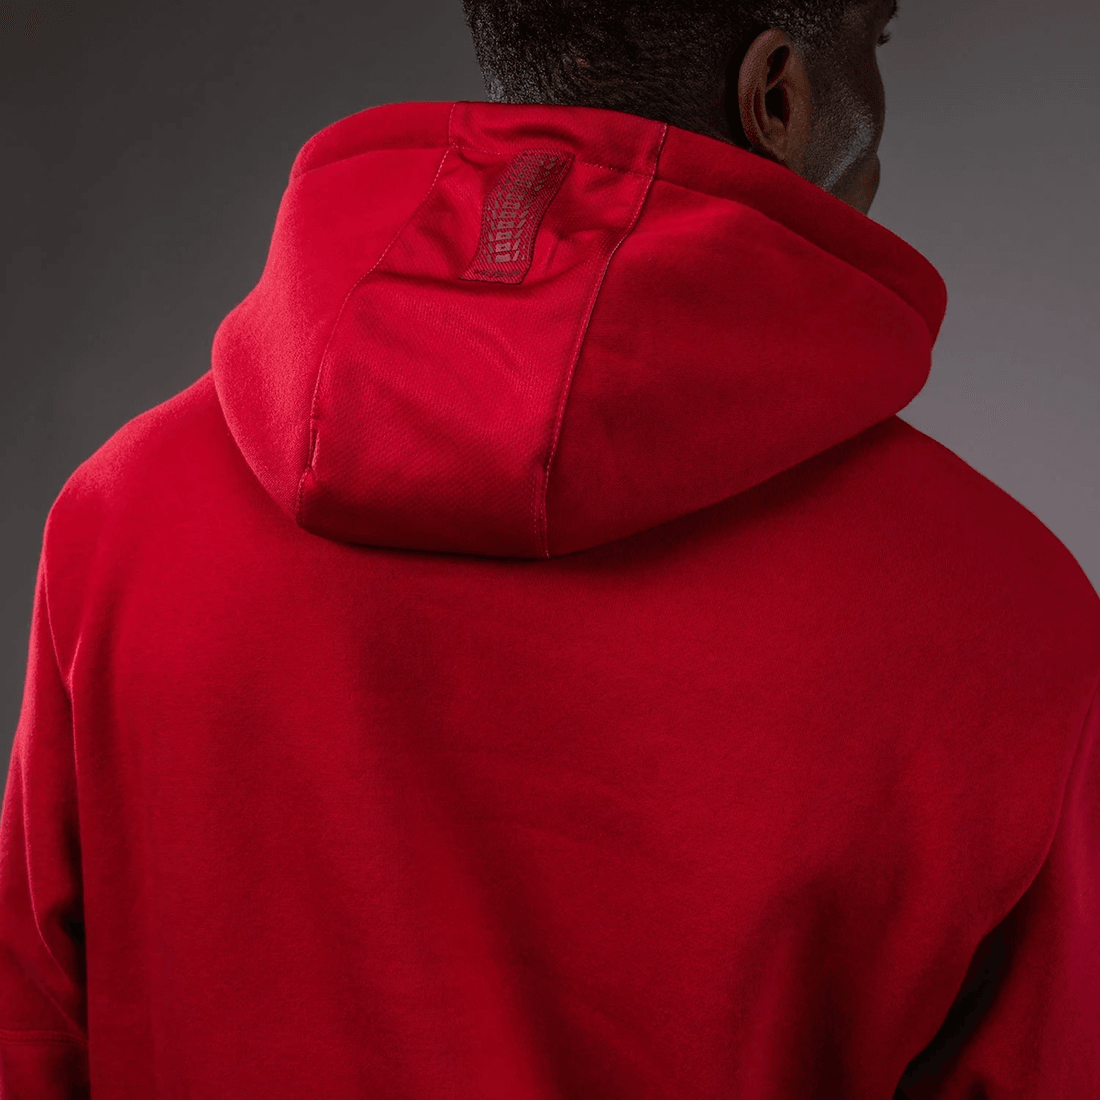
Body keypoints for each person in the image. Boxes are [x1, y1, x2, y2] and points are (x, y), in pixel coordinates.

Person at [1, 0, 1097, 1095]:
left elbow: (30, 1039)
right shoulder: (1011, 622)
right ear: (777, 94)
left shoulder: (121, 518)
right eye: (876, 42)